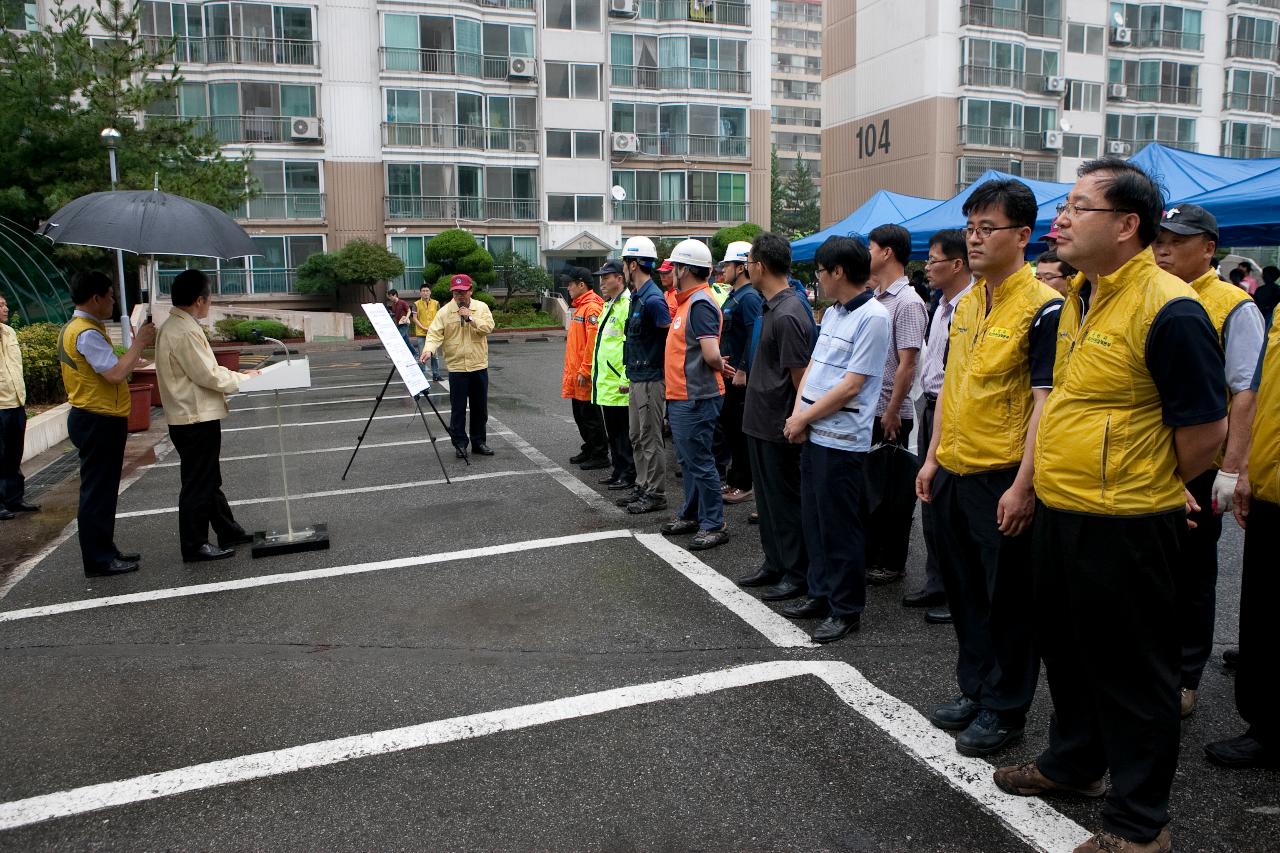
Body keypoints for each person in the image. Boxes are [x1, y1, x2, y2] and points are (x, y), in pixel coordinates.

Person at [994, 159, 1227, 853]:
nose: (1060, 220)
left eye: (1077, 207)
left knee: (1133, 675)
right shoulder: (1079, 296)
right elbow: (1063, 400)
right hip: (1064, 511)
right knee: (1068, 654)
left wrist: (1142, 477)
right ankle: (1074, 764)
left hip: (1126, 522)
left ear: (1127, 225)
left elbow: (1205, 432)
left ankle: (1138, 822)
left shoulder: (1171, 307)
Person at [916, 179, 1063, 758]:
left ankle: (1006, 709)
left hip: (1002, 478)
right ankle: (976, 690)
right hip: (953, 467)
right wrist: (931, 459)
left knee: (1008, 603)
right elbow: (951, 385)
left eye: (986, 229)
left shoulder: (1043, 308)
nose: (974, 240)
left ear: (1022, 236)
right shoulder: (968, 301)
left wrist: (1023, 486)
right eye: (970, 228)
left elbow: (1043, 406)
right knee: (966, 593)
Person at [1152, 204, 1266, 718]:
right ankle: (1152, 664)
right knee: (1151, 571)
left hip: (1198, 461)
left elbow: (1244, 391)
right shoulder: (1150, 292)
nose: (1164, 248)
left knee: (1192, 574)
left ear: (1208, 247)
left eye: (1177, 240)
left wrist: (1231, 467)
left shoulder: (1231, 305)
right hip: (1148, 458)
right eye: (1159, 239)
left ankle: (1185, 674)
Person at [780, 235, 890, 644]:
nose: (818, 279)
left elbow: (852, 385)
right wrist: (798, 414)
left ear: (838, 272)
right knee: (815, 520)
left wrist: (803, 417)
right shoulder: (835, 313)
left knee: (840, 527)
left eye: (821, 272)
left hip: (842, 440)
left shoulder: (874, 317)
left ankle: (846, 609)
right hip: (814, 431)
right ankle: (820, 592)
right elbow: (812, 366)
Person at [1203, 301, 1279, 770]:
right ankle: (1267, 727)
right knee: (1264, 611)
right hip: (1272, 485)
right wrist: (1245, 466)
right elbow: (1261, 393)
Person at [155, 270, 260, 562]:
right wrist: (245, 378)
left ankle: (228, 530)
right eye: (210, 297)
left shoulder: (175, 325)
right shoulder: (185, 330)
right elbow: (208, 374)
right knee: (199, 482)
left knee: (208, 479)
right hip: (194, 417)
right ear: (199, 300)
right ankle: (194, 543)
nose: (210, 302)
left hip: (189, 416)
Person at [59, 271, 156, 577]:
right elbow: (113, 374)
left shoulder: (78, 328)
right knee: (97, 493)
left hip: (94, 417)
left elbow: (112, 367)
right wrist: (139, 344)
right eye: (111, 295)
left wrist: (132, 358)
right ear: (96, 298)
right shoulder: (86, 332)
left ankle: (105, 550)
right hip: (97, 419)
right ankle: (99, 559)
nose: (114, 301)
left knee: (101, 490)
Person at [735, 232, 817, 599]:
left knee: (784, 502)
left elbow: (802, 379)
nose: (746, 268)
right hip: (759, 421)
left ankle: (796, 572)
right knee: (767, 502)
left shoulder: (789, 312)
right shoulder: (771, 307)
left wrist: (797, 420)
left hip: (778, 424)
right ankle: (774, 562)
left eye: (749, 262)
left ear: (761, 266)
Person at [902, 229, 972, 625]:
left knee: (950, 505)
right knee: (929, 498)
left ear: (957, 264)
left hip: (954, 411)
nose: (927, 268)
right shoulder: (941, 305)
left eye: (933, 260)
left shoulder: (971, 306)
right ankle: (936, 579)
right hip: (930, 406)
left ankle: (955, 589)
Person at [864, 223, 928, 586]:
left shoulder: (908, 302)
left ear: (887, 252)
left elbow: (908, 363)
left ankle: (891, 561)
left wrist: (892, 412)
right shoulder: (878, 299)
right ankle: (874, 555)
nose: (867, 254)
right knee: (873, 490)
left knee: (893, 493)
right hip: (872, 409)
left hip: (892, 412)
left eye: (871, 247)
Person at [658, 239, 729, 550]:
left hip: (696, 395)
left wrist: (719, 365)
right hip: (685, 394)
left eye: (674, 267)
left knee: (700, 461)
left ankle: (714, 523)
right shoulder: (689, 301)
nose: (671, 272)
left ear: (684, 269)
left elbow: (711, 353)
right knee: (690, 461)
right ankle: (691, 514)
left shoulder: (699, 303)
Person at [619, 236, 671, 514]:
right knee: (637, 436)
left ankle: (656, 493)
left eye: (625, 264)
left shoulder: (653, 299)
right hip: (638, 378)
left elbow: (668, 342)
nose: (623, 269)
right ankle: (642, 485)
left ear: (634, 264)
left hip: (652, 378)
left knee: (650, 438)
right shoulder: (638, 297)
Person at [419, 275, 495, 458]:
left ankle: (479, 442)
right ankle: (460, 444)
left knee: (479, 408)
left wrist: (471, 318)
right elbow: (435, 334)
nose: (459, 295)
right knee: (458, 409)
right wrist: (429, 350)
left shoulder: (481, 308)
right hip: (457, 368)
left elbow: (489, 328)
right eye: (456, 292)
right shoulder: (445, 312)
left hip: (478, 365)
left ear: (470, 291)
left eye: (462, 291)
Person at [717, 240, 762, 505]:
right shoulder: (734, 296)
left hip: (739, 379)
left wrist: (743, 369)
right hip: (727, 375)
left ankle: (743, 483)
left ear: (742, 267)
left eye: (728, 265)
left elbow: (752, 337)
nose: (723, 270)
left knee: (739, 432)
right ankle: (735, 479)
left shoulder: (749, 298)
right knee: (731, 431)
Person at [591, 260, 635, 491]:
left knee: (623, 433)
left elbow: (630, 344)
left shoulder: (627, 304)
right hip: (607, 381)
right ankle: (618, 470)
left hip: (619, 382)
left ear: (620, 278)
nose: (602, 283)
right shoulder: (610, 304)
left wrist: (625, 377)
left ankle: (628, 473)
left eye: (606, 277)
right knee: (613, 432)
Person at [562, 267, 609, 471]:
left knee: (590, 417)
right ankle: (590, 447)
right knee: (581, 415)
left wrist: (585, 370)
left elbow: (593, 343)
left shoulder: (591, 308)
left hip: (584, 373)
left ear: (582, 285)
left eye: (570, 283)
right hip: (576, 372)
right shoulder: (581, 307)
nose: (568, 287)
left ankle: (599, 453)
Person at [1, 294, 38, 520]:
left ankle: (15, 498)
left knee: (14, 453)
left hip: (16, 401)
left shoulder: (10, 332)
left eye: (5, 304)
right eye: (1, 305)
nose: (6, 308)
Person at [412, 285, 442, 381]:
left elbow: (439, 317)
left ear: (430, 292)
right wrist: (423, 327)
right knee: (422, 354)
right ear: (420, 292)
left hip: (433, 332)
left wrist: (434, 328)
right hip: (421, 332)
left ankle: (436, 374)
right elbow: (414, 318)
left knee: (434, 354)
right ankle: (422, 376)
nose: (425, 292)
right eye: (423, 291)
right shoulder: (416, 304)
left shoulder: (436, 303)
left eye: (427, 290)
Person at [386, 288, 418, 358]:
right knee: (407, 342)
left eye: (390, 296)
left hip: (404, 324)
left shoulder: (402, 302)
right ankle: (415, 353)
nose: (390, 298)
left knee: (398, 338)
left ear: (395, 295)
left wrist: (406, 318)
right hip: (399, 324)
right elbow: (395, 313)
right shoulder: (393, 305)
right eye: (389, 296)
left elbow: (409, 310)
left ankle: (393, 354)